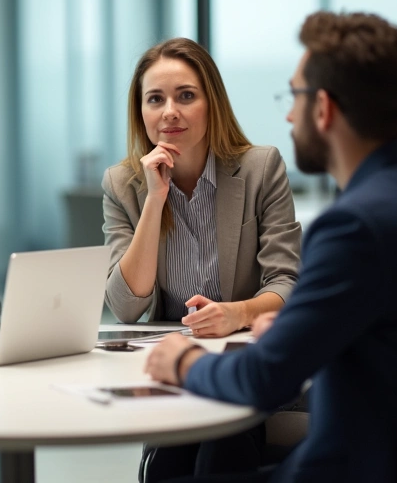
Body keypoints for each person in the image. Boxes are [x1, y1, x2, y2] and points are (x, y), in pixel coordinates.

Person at [145, 11, 397, 483]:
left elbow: (261, 381)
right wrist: (294, 329)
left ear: (324, 108)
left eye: (296, 97)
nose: (290, 115)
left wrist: (182, 361)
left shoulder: (356, 225)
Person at [102, 38, 301, 480]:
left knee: (220, 443)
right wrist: (155, 201)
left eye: (185, 96)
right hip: (166, 365)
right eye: (155, 99)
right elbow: (126, 305)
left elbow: (287, 281)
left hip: (240, 358)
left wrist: (239, 312)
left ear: (213, 104)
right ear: (141, 112)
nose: (169, 111)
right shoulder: (123, 184)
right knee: (172, 460)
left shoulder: (260, 168)